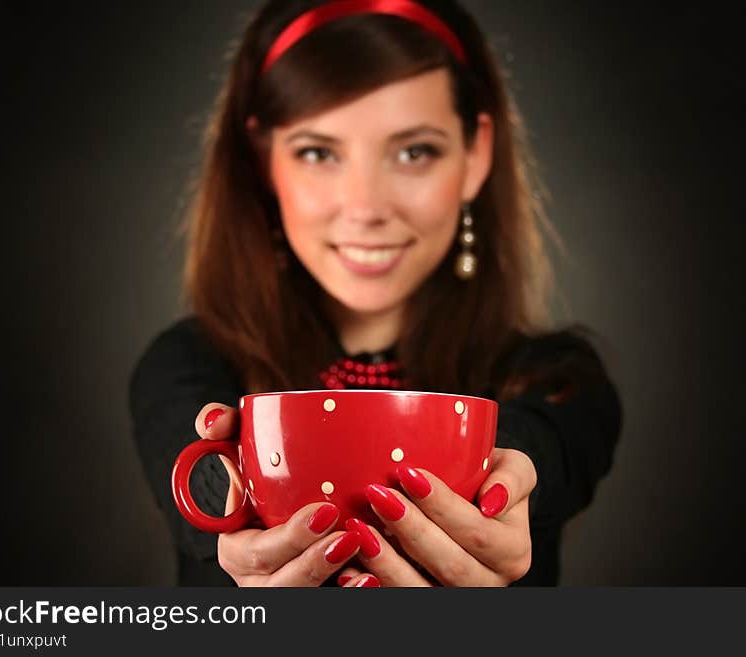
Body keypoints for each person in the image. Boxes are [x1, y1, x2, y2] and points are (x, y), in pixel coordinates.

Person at [129, 0, 622, 587]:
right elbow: (201, 487)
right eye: (318, 152)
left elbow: (535, 450)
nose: (365, 208)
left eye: (415, 152)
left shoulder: (558, 381)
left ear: (475, 154)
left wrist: (502, 484)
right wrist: (234, 503)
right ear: (265, 162)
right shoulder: (184, 366)